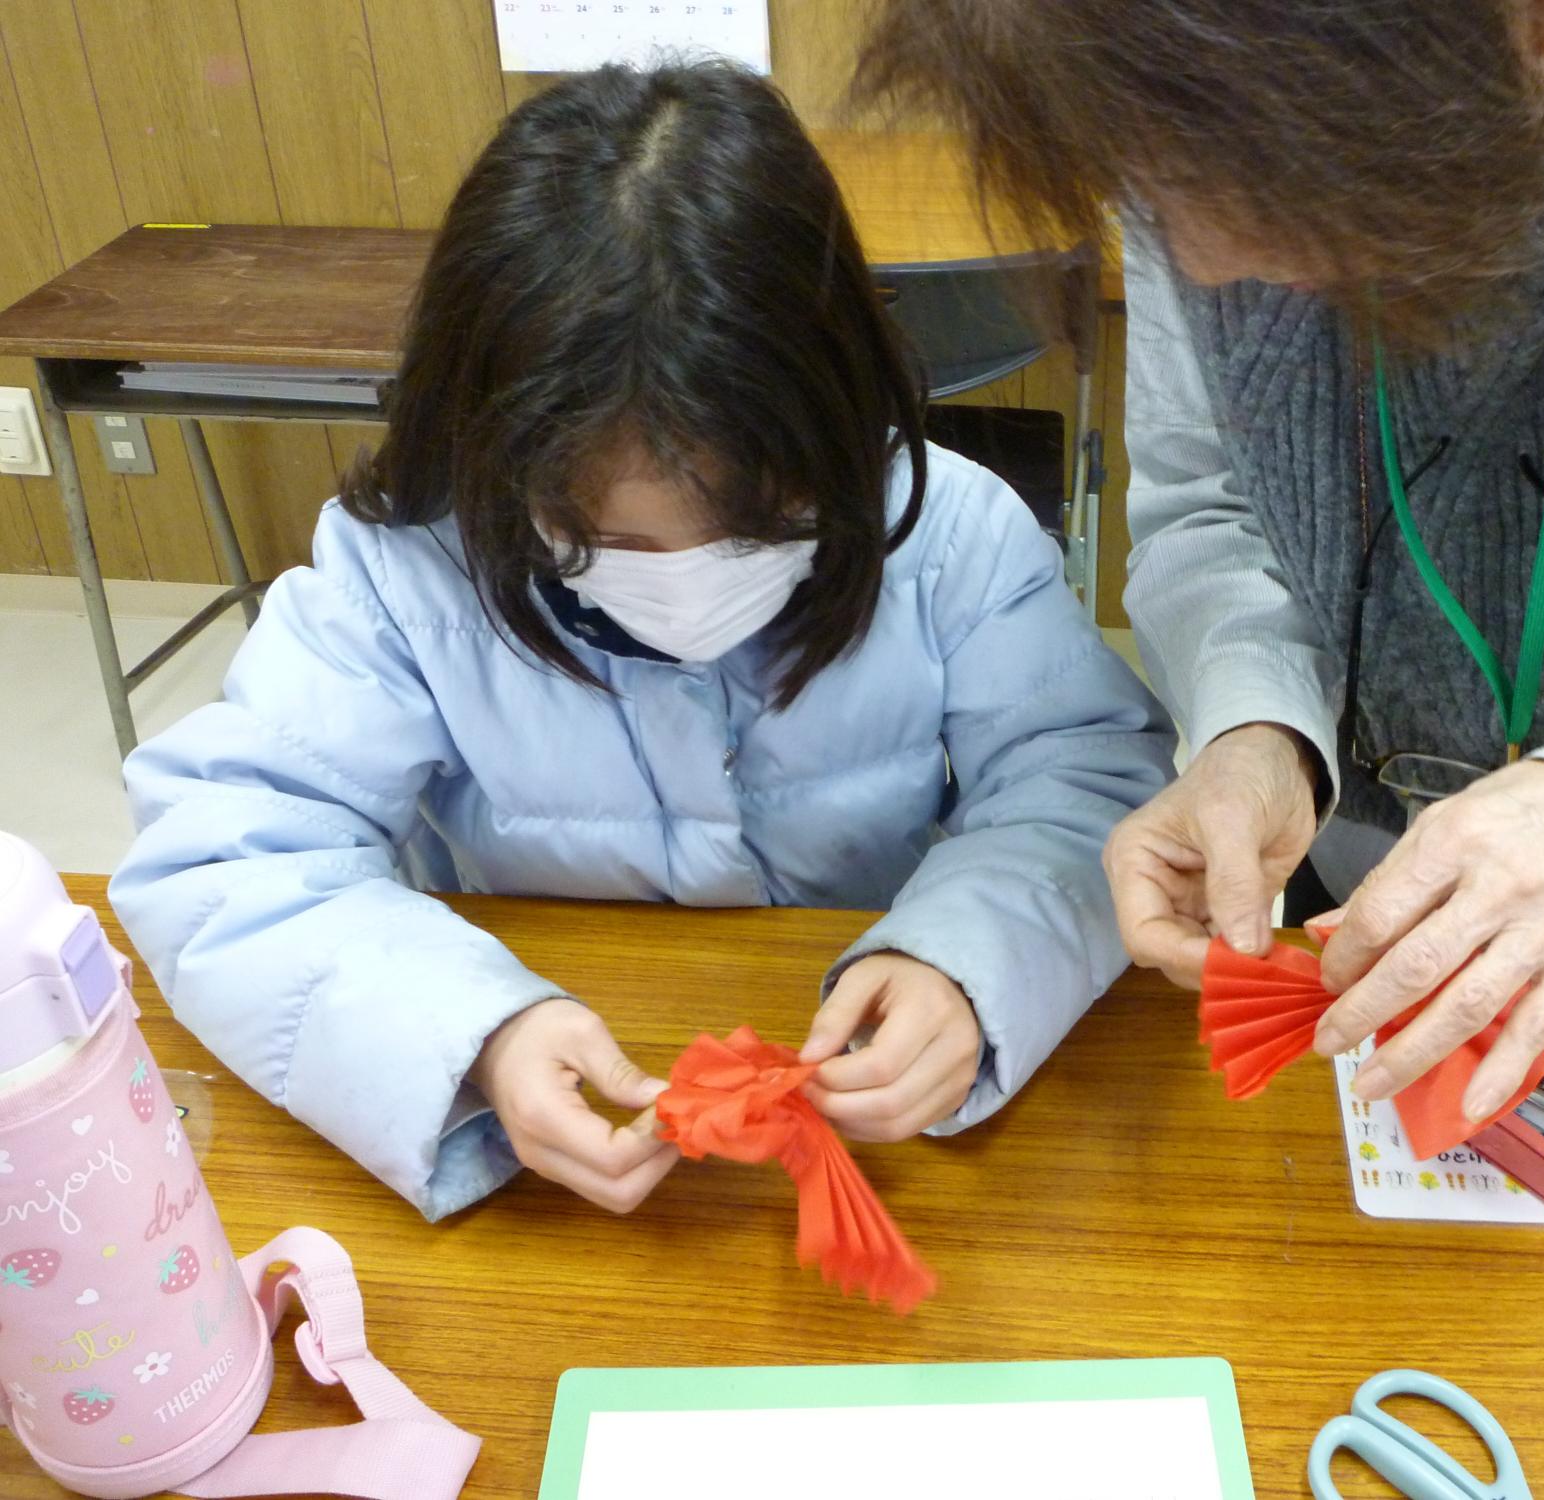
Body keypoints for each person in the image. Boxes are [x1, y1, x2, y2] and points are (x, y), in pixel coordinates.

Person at [858, 1, 1544, 1122]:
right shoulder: (1179, 61)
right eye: (1152, 194)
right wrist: (1259, 724)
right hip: (1374, 908)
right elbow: (1212, 488)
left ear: (1543, 20)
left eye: (1268, 178)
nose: (1202, 264)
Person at [108, 62, 1175, 1223]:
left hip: (878, 1128)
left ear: (839, 417)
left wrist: (965, 964)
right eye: (594, 535)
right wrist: (471, 1035)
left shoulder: (951, 530)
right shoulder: (409, 567)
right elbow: (228, 860)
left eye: (758, 526)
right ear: (491, 458)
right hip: (563, 1145)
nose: (681, 584)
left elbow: (1082, 782)